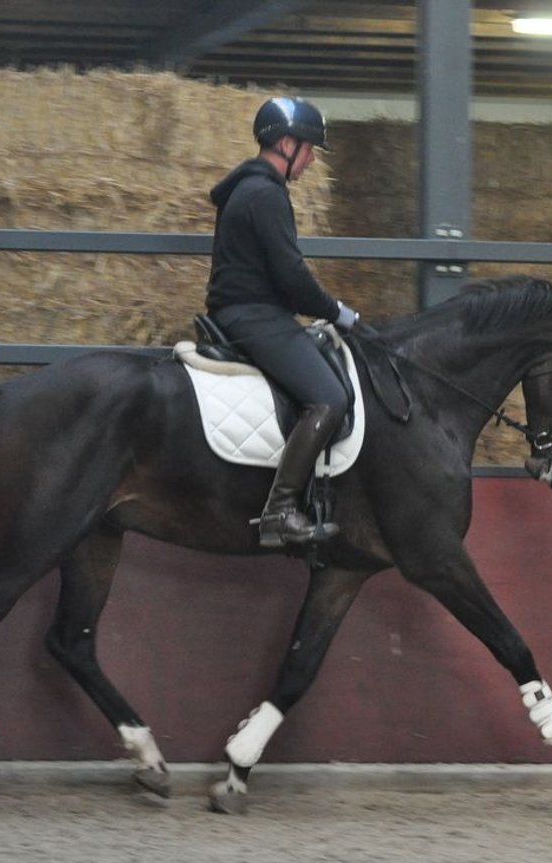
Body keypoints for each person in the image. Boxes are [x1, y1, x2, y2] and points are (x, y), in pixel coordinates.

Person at [204, 96, 371, 548]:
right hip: (254, 314)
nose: (313, 159)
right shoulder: (265, 193)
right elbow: (291, 274)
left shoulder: (249, 188)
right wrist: (337, 311)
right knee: (329, 398)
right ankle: (280, 511)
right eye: (309, 148)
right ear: (284, 143)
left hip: (248, 310)